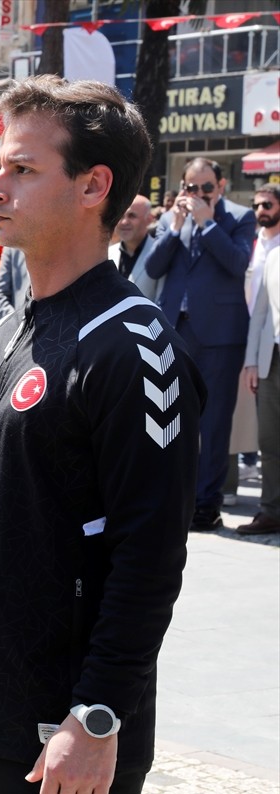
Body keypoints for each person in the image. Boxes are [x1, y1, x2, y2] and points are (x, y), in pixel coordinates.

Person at [0, 75, 205, 794]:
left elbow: (150, 554)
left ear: (93, 186)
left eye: (22, 169)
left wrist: (99, 714)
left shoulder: (136, 347)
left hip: (63, 742)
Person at [144, 156, 255, 531]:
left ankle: (207, 503)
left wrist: (208, 224)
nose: (199, 194)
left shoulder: (239, 217)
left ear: (220, 186)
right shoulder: (170, 218)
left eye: (207, 187)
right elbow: (153, 268)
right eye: (192, 187)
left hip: (220, 335)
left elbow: (238, 263)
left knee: (214, 421)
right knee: (171, 418)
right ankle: (175, 498)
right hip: (175, 331)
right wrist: (175, 228)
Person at [240, 245, 279, 534]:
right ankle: (271, 511)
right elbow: (261, 312)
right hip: (270, 361)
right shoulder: (274, 256)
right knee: (269, 442)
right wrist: (251, 360)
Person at [109, 195, 161, 302]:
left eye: (132, 216)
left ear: (149, 219)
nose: (124, 222)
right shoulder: (107, 254)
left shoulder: (160, 254)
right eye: (120, 216)